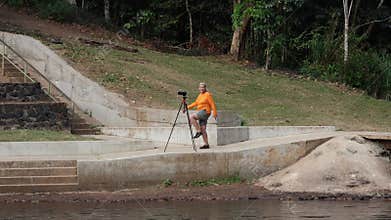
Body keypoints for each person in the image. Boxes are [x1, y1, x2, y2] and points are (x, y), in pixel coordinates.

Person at [186, 82, 217, 149]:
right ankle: (206, 144)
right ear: (198, 88)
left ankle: (198, 131)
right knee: (203, 129)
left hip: (205, 111)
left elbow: (212, 104)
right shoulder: (200, 95)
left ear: (205, 88)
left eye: (203, 87)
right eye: (200, 87)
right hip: (201, 112)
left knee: (192, 117)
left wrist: (214, 113)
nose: (201, 88)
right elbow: (196, 103)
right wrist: (187, 107)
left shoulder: (207, 94)